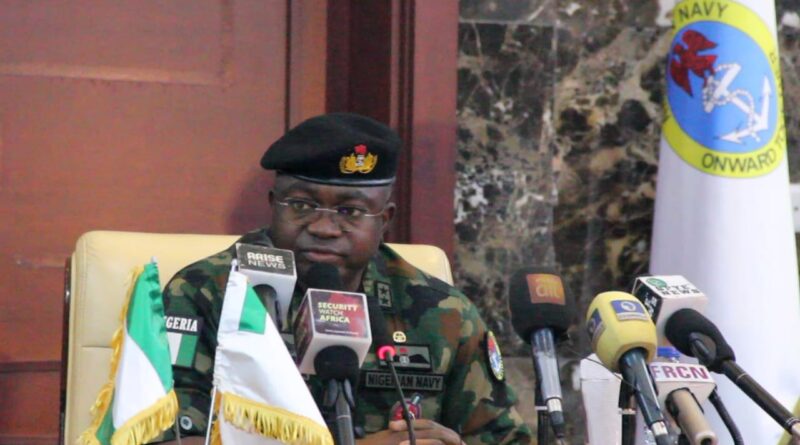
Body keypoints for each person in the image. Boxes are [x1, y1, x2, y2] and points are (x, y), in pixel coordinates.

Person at [156, 113, 533, 444]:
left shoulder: (442, 312)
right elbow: (165, 437)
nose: (323, 227)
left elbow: (503, 437)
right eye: (301, 205)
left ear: (384, 220)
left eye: (350, 211)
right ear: (273, 206)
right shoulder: (206, 292)